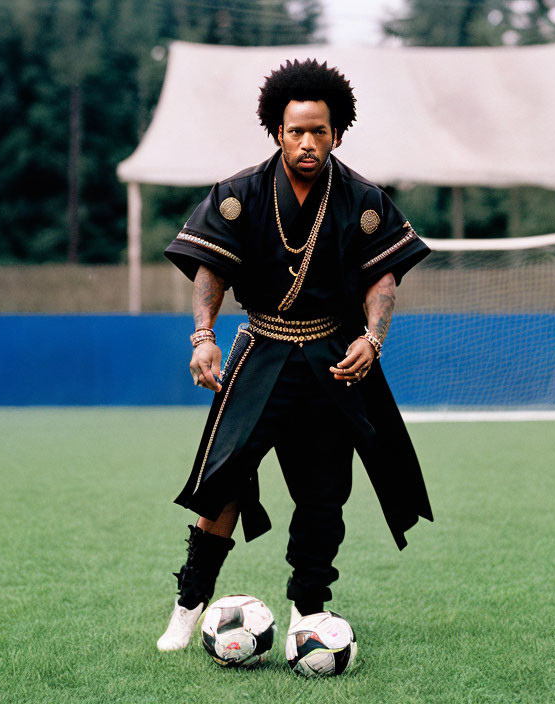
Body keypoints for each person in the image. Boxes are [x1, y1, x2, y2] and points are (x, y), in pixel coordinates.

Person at [156, 58, 433, 651]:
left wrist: (373, 337)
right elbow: (209, 271)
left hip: (333, 354)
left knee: (325, 490)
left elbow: (383, 279)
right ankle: (190, 601)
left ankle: (310, 608)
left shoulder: (362, 198)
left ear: (337, 132)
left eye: (320, 132)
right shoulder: (239, 194)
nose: (308, 142)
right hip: (260, 347)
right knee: (222, 477)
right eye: (297, 131)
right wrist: (203, 336)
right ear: (277, 131)